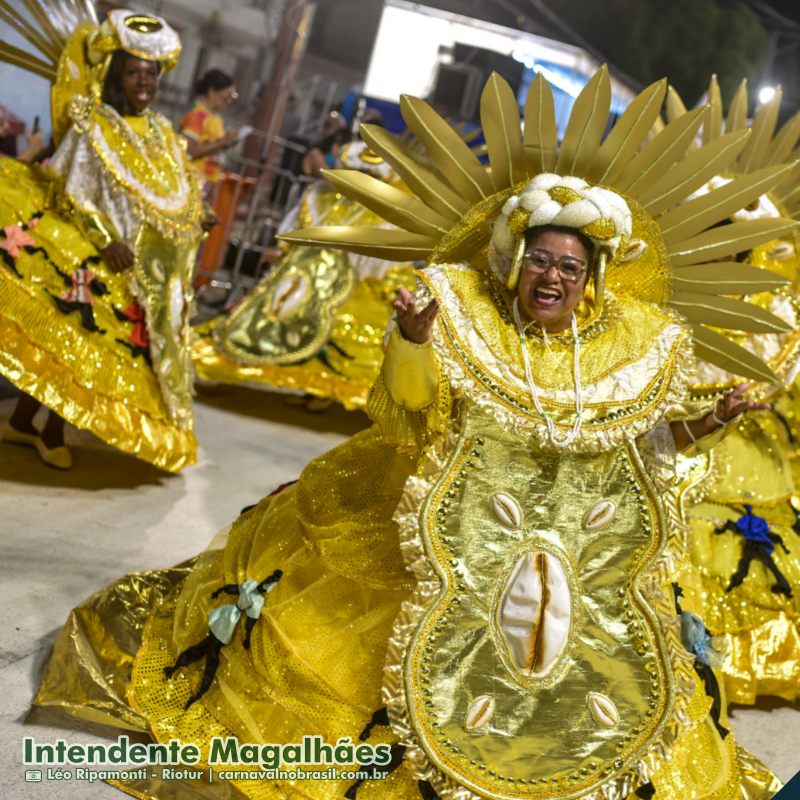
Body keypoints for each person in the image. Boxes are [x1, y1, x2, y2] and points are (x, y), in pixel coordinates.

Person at [36, 70, 790, 798]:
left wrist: (708, 420)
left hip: (573, 555)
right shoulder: (465, 319)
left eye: (569, 266)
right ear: (514, 261)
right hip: (447, 525)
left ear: (590, 279)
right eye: (540, 259)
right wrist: (413, 341)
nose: (553, 277)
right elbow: (412, 410)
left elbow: (645, 449)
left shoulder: (622, 352)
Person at [0, 8, 206, 471]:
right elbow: (76, 191)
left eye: (149, 73)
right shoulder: (95, 124)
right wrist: (105, 240)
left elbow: (175, 190)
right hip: (93, 247)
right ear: (116, 75)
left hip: (147, 264)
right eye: (132, 72)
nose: (142, 82)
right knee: (86, 332)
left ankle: (24, 422)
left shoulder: (162, 133)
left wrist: (199, 215)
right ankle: (51, 431)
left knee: (98, 339)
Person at [665, 77, 800, 705]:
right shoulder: (672, 295)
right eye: (713, 229)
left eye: (734, 235)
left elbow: (779, 369)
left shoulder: (773, 300)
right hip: (673, 437)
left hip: (746, 449)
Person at [192, 137, 417, 411]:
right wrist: (283, 249)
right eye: (359, 174)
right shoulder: (320, 196)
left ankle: (323, 389)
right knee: (262, 324)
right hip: (297, 281)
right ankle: (240, 365)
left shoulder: (390, 212)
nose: (363, 181)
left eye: (370, 176)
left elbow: (387, 262)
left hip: (354, 290)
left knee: (348, 340)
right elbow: (295, 230)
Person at [180, 68, 240, 192]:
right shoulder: (197, 117)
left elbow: (212, 148)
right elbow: (190, 151)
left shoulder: (216, 119)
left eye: (232, 98)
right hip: (191, 181)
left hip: (207, 182)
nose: (228, 101)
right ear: (212, 91)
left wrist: (227, 143)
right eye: (226, 96)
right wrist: (223, 141)